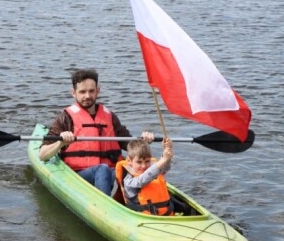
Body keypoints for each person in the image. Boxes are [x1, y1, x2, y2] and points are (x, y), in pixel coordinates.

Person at [39, 68, 153, 196]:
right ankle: (106, 207)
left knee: (137, 168)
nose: (87, 96)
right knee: (102, 169)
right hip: (79, 176)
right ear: (73, 93)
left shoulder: (109, 116)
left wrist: (143, 141)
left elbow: (129, 145)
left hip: (110, 172)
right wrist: (60, 143)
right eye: (82, 92)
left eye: (91, 91)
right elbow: (43, 155)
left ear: (97, 91)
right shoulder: (65, 118)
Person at [115, 138, 194, 216]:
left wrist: (166, 151)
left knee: (187, 208)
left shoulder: (151, 168)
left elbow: (164, 168)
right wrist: (163, 160)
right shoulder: (129, 181)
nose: (143, 166)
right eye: (139, 162)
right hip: (144, 217)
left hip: (166, 213)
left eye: (147, 161)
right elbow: (142, 180)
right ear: (129, 161)